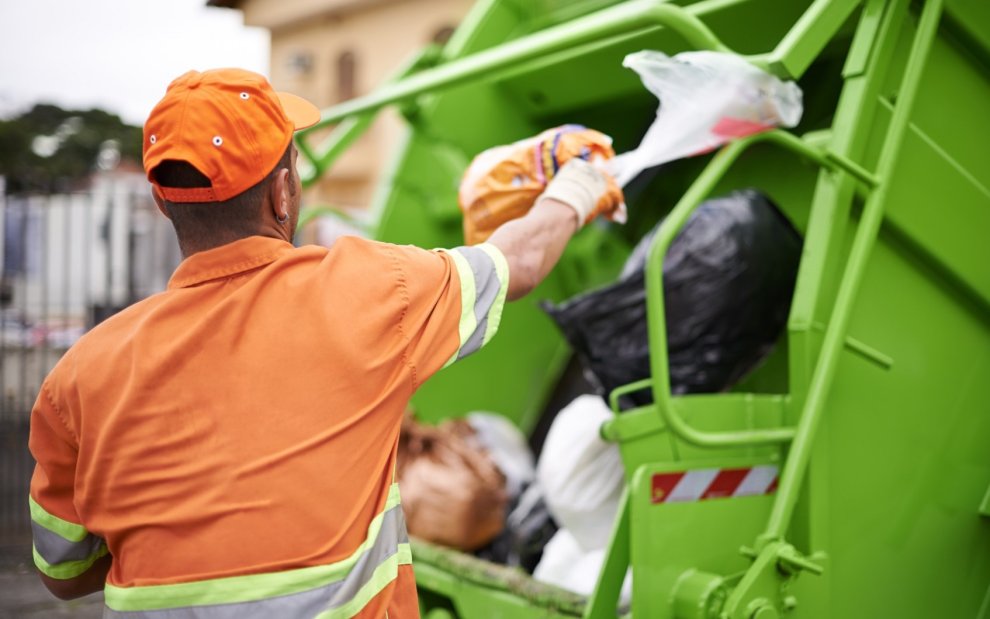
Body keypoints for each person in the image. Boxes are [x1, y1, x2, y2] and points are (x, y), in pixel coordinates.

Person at [27, 68, 623, 618]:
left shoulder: (79, 377)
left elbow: (62, 569)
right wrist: (579, 182)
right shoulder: (372, 291)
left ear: (162, 201)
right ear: (283, 193)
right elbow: (517, 261)